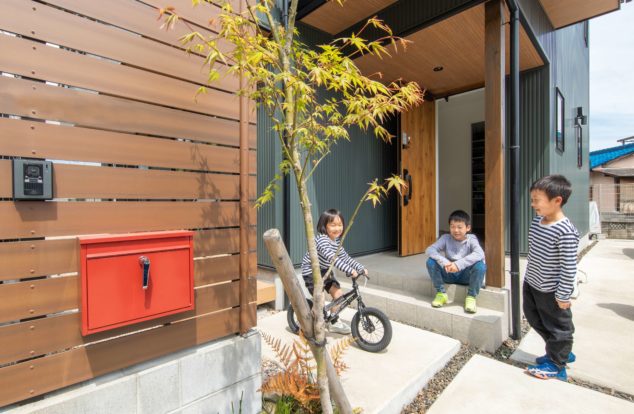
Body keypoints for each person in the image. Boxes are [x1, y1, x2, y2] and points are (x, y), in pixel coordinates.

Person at [524, 175, 579, 381]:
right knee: (533, 317)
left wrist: (563, 295)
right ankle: (560, 350)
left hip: (552, 291)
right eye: (532, 200)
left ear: (557, 200)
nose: (533, 204)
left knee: (559, 327)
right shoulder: (537, 222)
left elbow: (568, 267)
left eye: (537, 200)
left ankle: (557, 364)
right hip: (532, 282)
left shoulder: (565, 232)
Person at [301, 209, 368, 334]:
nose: (337, 228)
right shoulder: (322, 240)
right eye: (333, 225)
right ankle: (315, 324)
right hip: (311, 272)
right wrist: (349, 270)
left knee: (338, 295)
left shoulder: (336, 241)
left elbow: (345, 257)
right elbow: (333, 259)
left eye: (340, 225)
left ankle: (334, 322)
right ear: (324, 226)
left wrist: (360, 267)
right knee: (320, 300)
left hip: (325, 271)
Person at [425, 210, 486, 313]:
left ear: (468, 228)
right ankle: (441, 293)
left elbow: (480, 254)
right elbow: (430, 250)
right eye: (452, 226)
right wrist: (445, 262)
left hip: (466, 276)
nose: (456, 230)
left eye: (459, 227)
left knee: (480, 266)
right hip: (449, 273)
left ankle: (471, 297)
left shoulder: (472, 239)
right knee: (430, 262)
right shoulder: (445, 238)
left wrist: (458, 265)